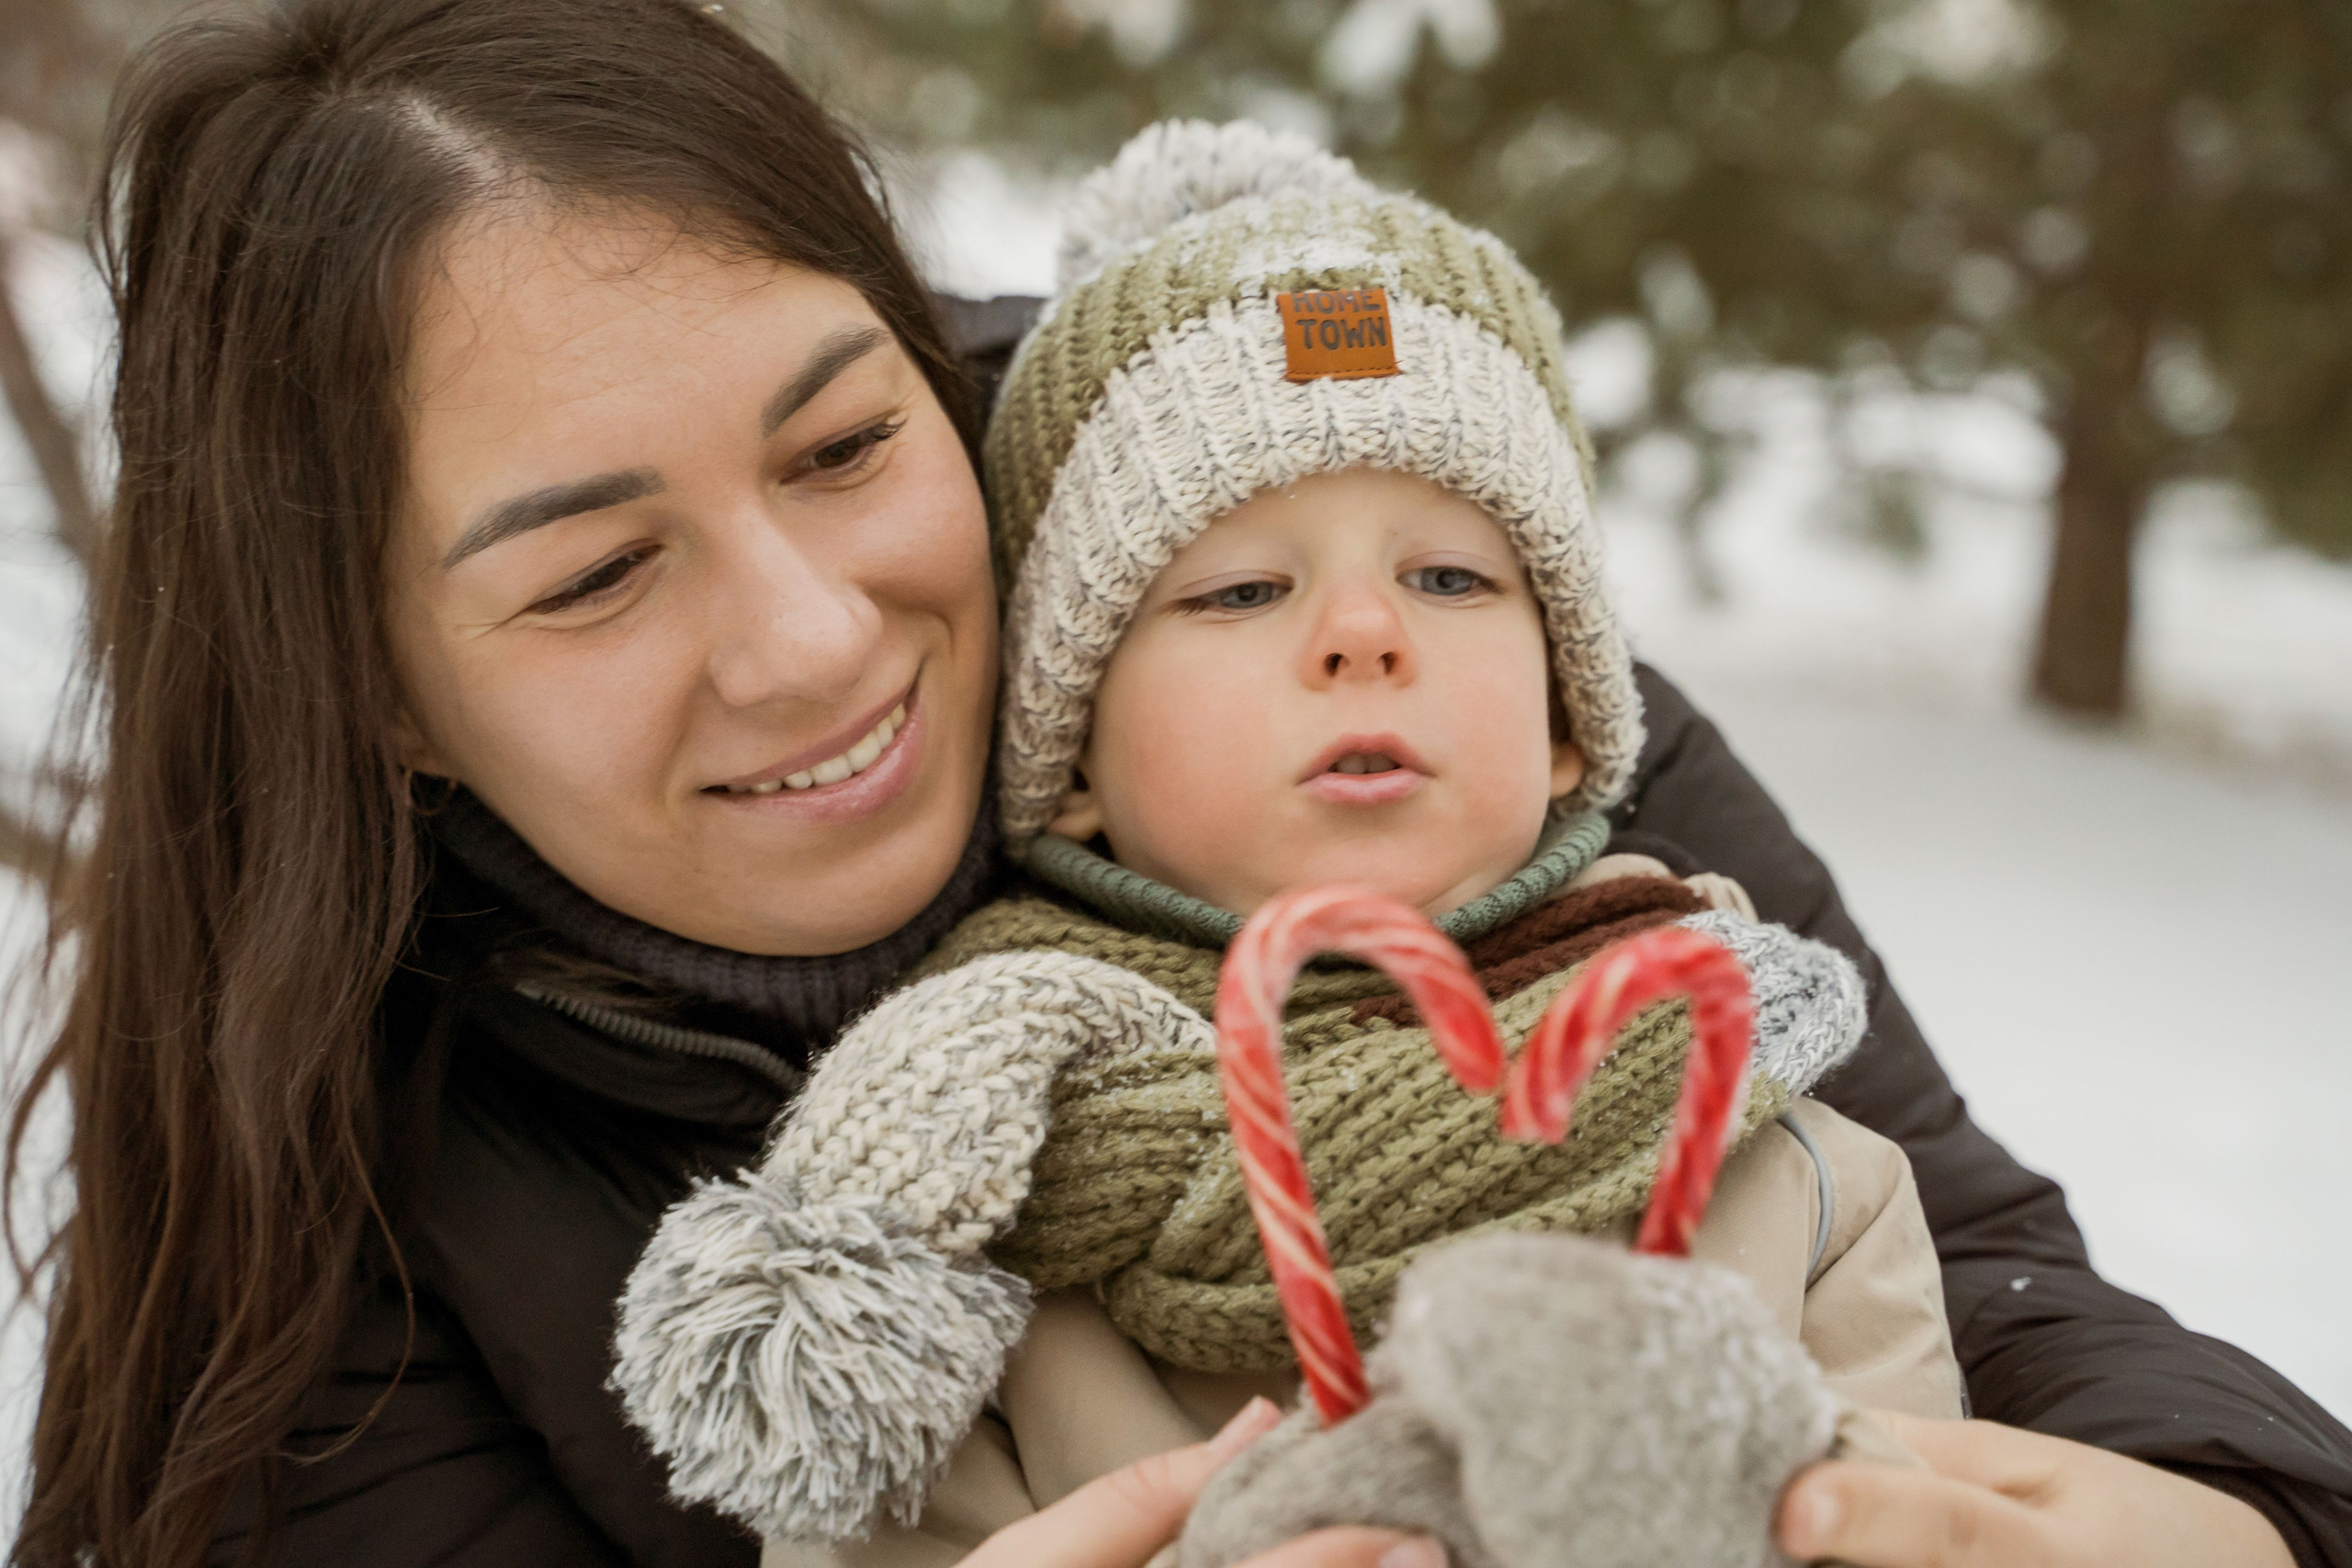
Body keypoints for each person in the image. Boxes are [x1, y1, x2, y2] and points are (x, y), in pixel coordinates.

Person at [9, 0, 2346, 1564]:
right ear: (380, 691)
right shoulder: (336, 1202)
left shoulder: (1345, 594)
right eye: (599, 571)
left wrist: (2231, 1511)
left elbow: (1995, 1277)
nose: (811, 635)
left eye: (842, 443)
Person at [610, 120, 1964, 1562]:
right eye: (1242, 593)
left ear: (1568, 722)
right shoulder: (966, 1230)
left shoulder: (1786, 1162)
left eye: (1451, 578)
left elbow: (1942, 1522)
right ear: (1070, 761)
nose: (1364, 633)